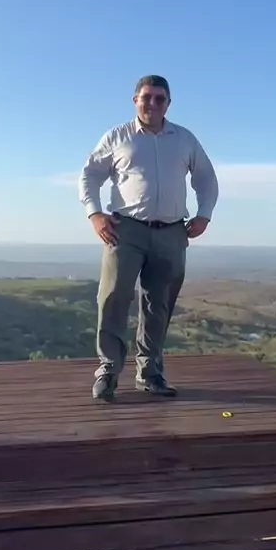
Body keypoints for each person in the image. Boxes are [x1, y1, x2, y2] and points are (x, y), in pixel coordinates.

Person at [78, 75, 219, 401]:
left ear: (168, 104)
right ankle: (108, 370)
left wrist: (204, 214)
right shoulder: (118, 137)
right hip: (124, 230)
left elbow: (206, 178)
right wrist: (95, 214)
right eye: (146, 97)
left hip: (172, 232)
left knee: (160, 303)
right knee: (114, 297)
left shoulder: (184, 139)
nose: (152, 104)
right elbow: (90, 175)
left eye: (159, 99)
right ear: (135, 101)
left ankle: (150, 372)